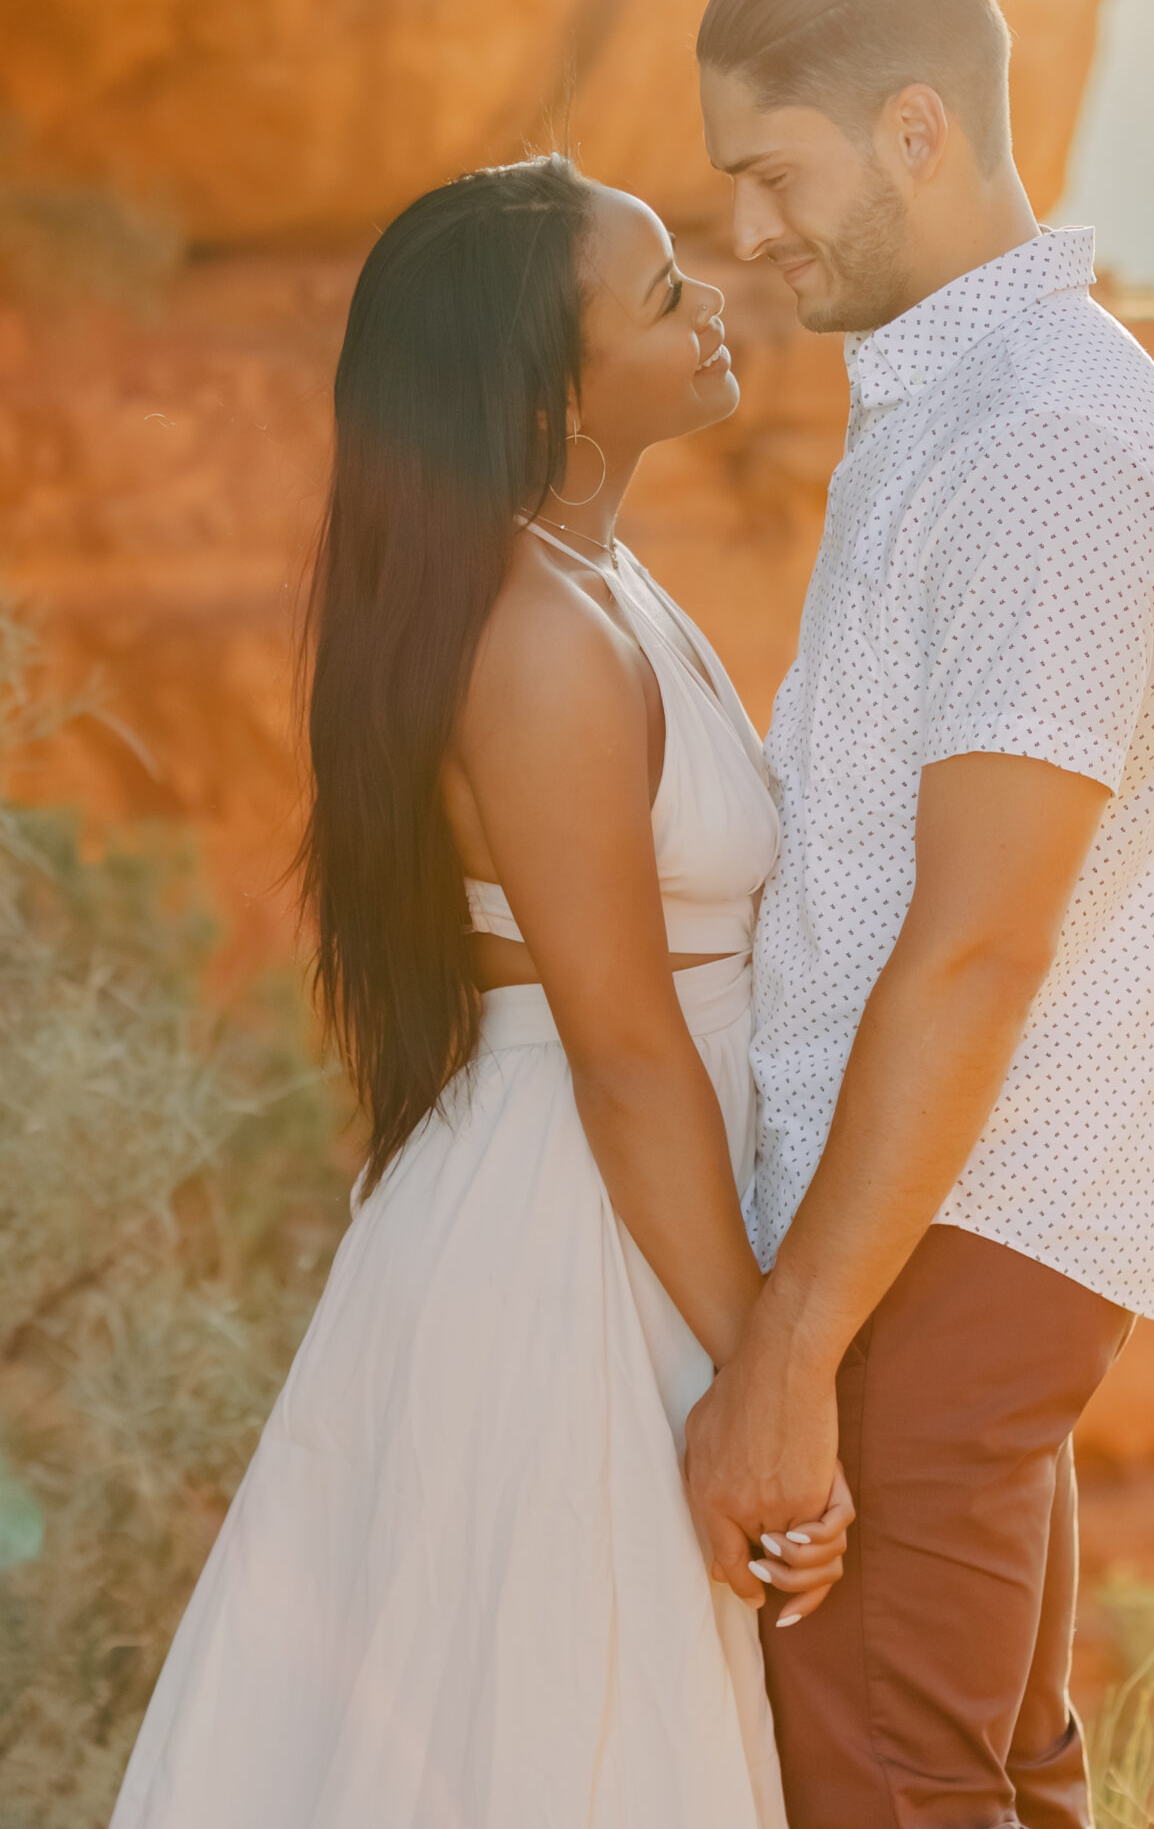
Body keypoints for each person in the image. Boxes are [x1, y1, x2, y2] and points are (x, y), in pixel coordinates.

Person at [110, 155, 851, 1829]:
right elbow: (626, 1054)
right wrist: (769, 1380)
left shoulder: (601, 582)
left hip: (619, 1212)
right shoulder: (534, 642)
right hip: (579, 1243)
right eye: (663, 294)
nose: (713, 301)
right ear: (550, 384)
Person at [688, 0, 1154, 1829]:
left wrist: (794, 1345)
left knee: (886, 1789)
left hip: (942, 1239)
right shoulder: (957, 412)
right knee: (995, 1778)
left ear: (917, 131)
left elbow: (979, 946)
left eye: (773, 172)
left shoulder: (1038, 448)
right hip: (940, 1234)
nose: (743, 233)